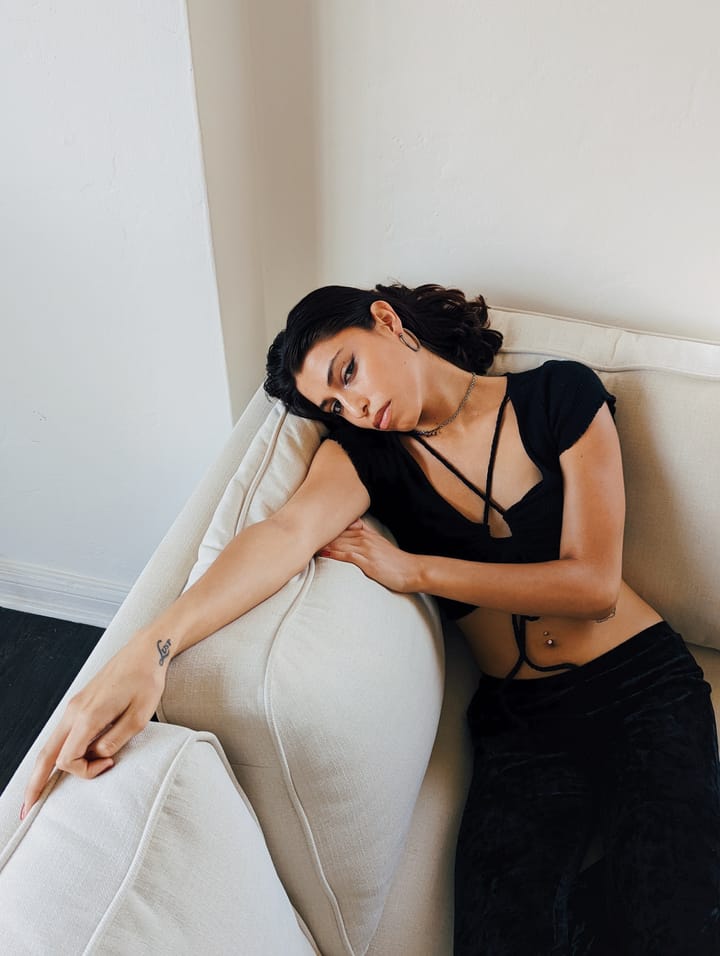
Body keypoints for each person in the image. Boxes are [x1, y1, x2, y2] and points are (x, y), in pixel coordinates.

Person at [22, 283, 719, 955]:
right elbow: (284, 534)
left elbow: (593, 584)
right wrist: (152, 647)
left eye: (347, 371)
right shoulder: (369, 457)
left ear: (387, 320)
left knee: (680, 925)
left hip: (642, 689)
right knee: (501, 935)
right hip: (523, 720)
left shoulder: (559, 394)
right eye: (335, 403)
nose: (356, 406)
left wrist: (414, 570)